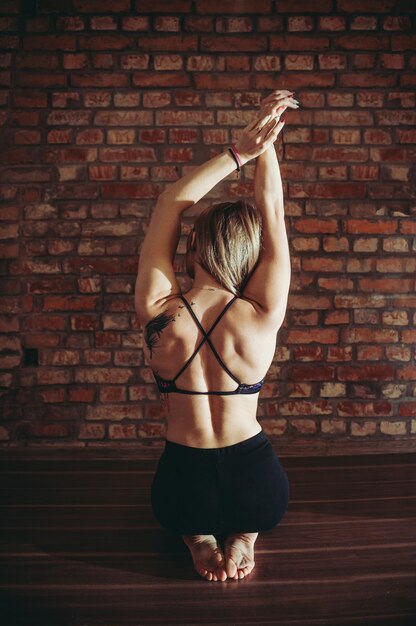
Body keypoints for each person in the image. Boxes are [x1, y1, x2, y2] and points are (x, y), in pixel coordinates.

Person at [135, 89, 298, 582]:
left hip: (182, 486)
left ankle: (198, 537)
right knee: (251, 516)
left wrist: (238, 152)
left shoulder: (159, 310)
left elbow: (170, 203)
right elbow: (272, 209)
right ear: (250, 258)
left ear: (192, 251)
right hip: (258, 486)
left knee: (188, 517)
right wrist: (266, 143)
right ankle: (244, 535)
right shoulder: (262, 312)